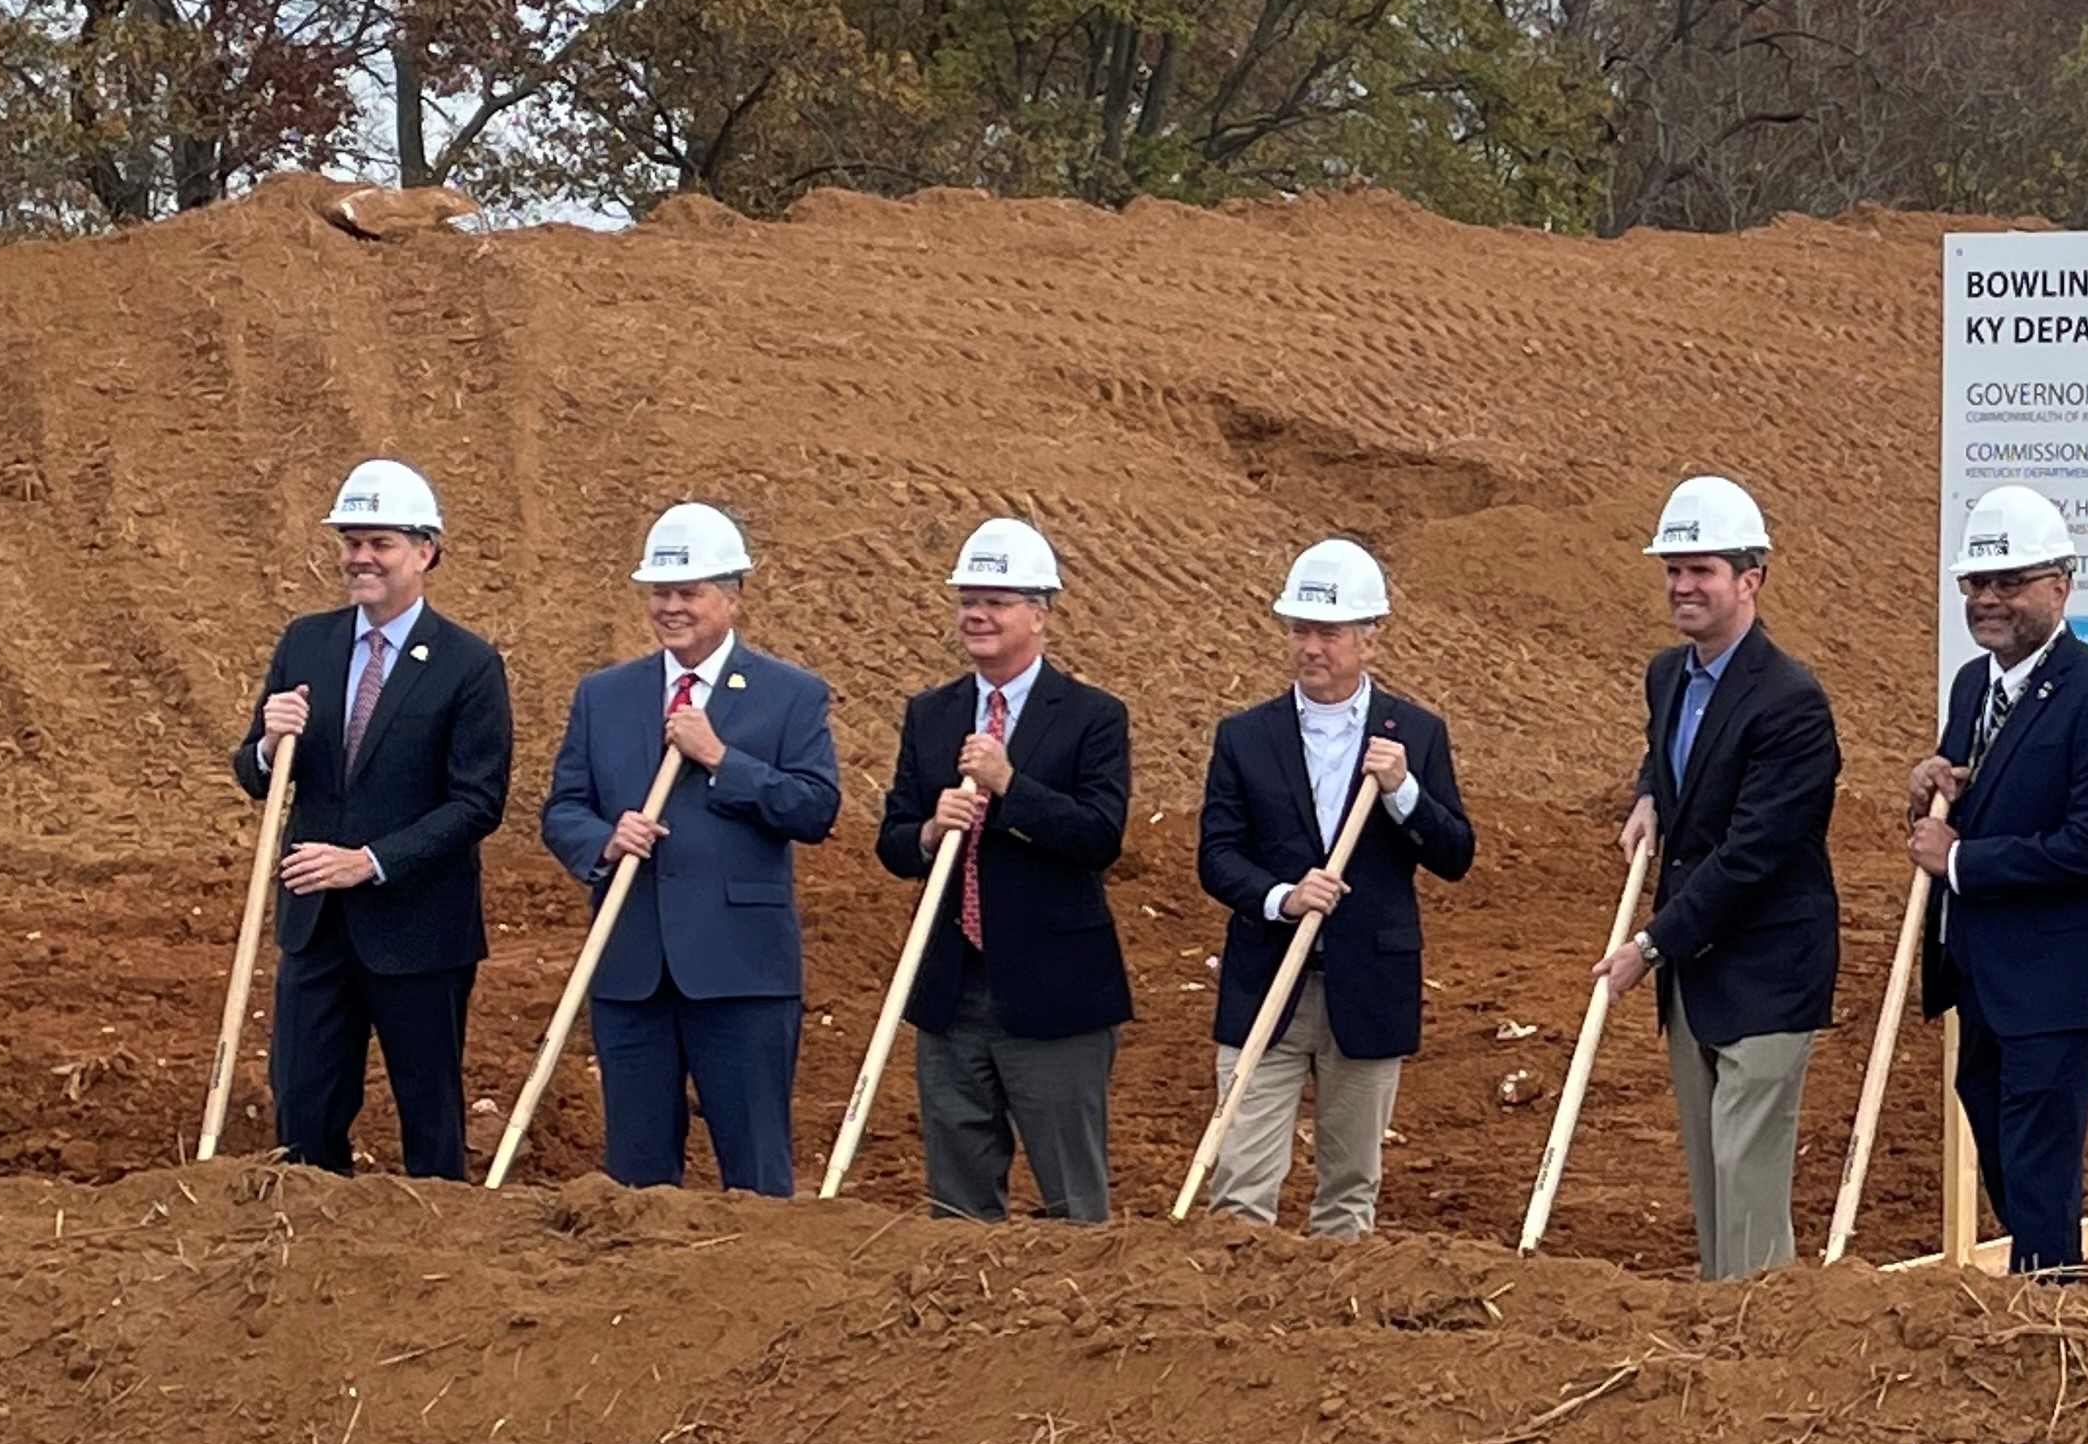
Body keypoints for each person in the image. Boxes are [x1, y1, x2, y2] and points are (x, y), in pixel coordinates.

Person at [538, 502, 841, 1195]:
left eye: (688, 592)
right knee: (638, 1182)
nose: (670, 608)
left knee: (756, 1174)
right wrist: (605, 841)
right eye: (659, 593)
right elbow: (562, 809)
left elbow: (815, 807)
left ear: (731, 596)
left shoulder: (789, 696)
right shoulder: (605, 695)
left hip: (741, 970)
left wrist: (720, 759)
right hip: (631, 968)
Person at [232, 459, 512, 1178]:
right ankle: (310, 1244)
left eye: (379, 542)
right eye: (351, 541)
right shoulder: (306, 643)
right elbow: (253, 774)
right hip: (315, 923)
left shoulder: (468, 664)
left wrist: (371, 862)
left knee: (428, 1110)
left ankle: (439, 1256)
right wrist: (267, 742)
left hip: (419, 929)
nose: (361, 557)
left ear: (426, 551)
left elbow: (478, 802)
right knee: (303, 1105)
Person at [1591, 476, 1842, 1280]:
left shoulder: (1793, 702)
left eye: (1701, 570)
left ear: (1750, 580)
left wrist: (1649, 946)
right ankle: (1714, 1339)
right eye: (1673, 569)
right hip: (1698, 974)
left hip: (1767, 966)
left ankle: (1763, 1341)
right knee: (1709, 1175)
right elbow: (1676, 757)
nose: (1682, 586)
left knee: (1747, 1173)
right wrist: (1646, 795)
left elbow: (1751, 853)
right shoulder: (1668, 674)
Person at [1196, 538, 1474, 1236]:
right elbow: (1217, 856)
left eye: (1328, 632)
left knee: (1350, 1191)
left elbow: (1455, 854)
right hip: (1267, 982)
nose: (1310, 647)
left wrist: (1404, 790)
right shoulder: (1244, 736)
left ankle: (1332, 1340)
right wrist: (1281, 897)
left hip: (1369, 986)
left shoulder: (1414, 734)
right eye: (1299, 630)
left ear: (1370, 637)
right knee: (1239, 1188)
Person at [1908, 484, 2088, 1275]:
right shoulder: (1973, 687)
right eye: (1976, 584)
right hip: (1982, 970)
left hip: (2057, 976)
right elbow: (1965, 813)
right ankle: (2047, 1281)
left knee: (2039, 1156)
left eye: (2009, 582)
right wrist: (1932, 796)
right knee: (2002, 1142)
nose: (1989, 600)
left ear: (2061, 584)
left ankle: (2052, 1306)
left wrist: (1964, 861)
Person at [873, 517, 1133, 1222]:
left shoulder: (1091, 717)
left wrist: (1011, 785)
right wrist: (928, 831)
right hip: (952, 992)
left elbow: (1098, 836)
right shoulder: (931, 714)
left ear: (1039, 615)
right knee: (956, 1204)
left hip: (1056, 994)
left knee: (1073, 1199)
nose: (977, 615)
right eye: (967, 601)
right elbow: (893, 841)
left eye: (997, 601)